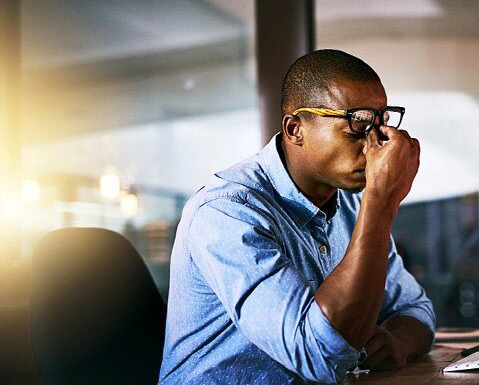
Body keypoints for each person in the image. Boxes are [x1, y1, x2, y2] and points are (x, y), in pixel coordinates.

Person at [159, 49, 435, 383]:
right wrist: (381, 202)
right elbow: (318, 353)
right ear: (295, 129)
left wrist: (397, 344)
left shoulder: (348, 204)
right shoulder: (227, 211)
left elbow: (415, 309)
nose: (375, 146)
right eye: (356, 125)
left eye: (380, 124)